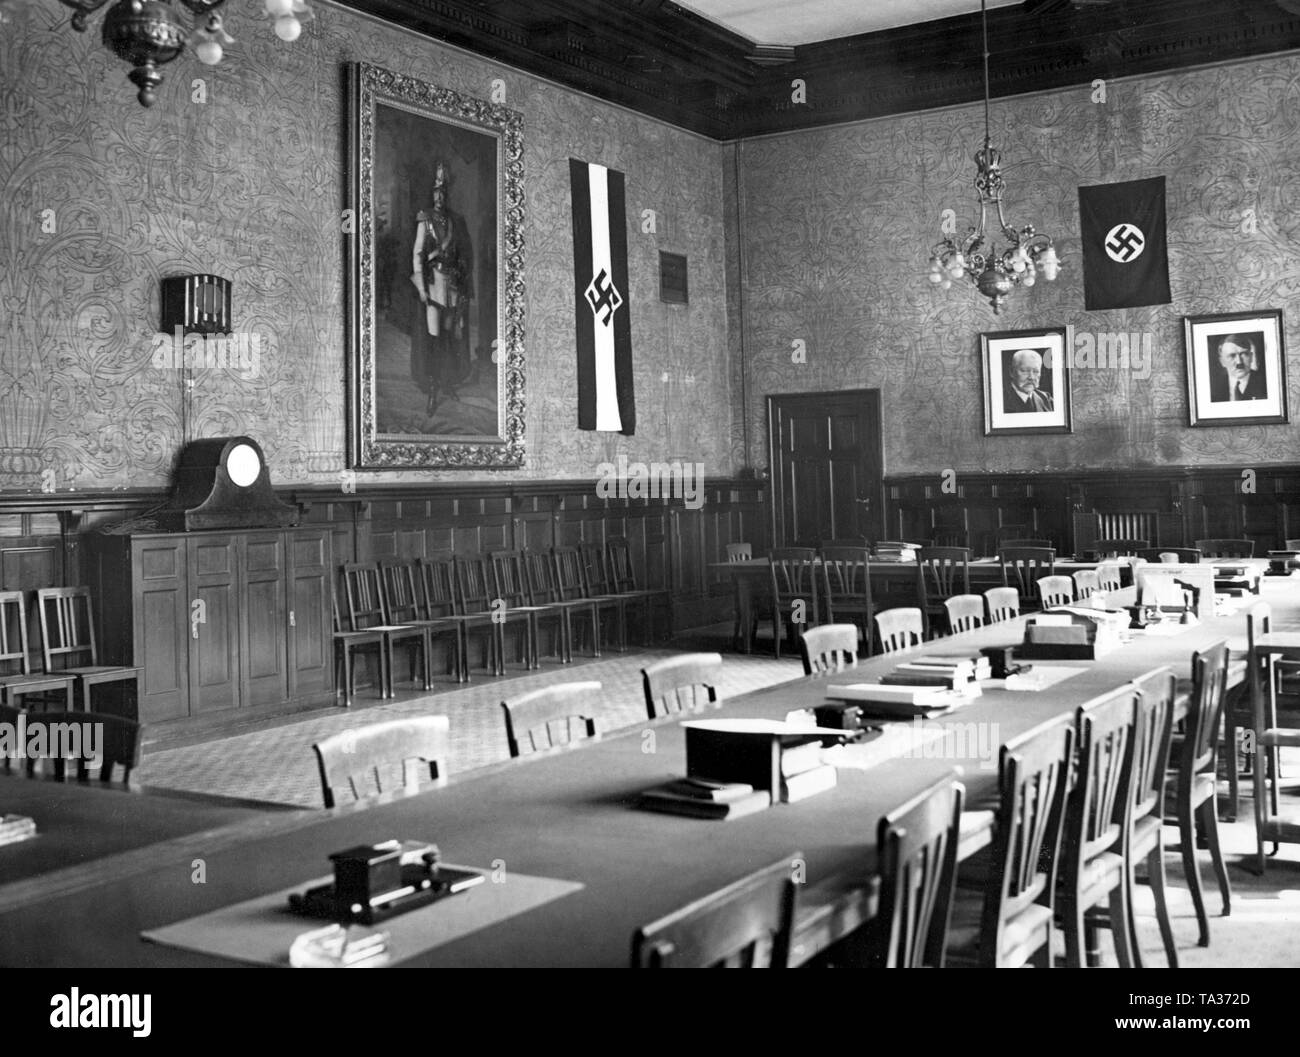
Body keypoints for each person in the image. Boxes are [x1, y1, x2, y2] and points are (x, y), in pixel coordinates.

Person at [410, 161, 473, 414]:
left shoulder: (455, 221)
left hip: (452, 288)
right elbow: (417, 254)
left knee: (448, 338)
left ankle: (446, 382)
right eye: (436, 191)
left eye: (444, 192)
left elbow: (462, 254)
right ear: (432, 193)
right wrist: (422, 288)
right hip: (433, 286)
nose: (440, 196)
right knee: (434, 340)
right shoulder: (425, 219)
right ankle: (433, 389)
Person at [1208, 333, 1267, 402]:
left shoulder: (1265, 384)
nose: (1239, 362)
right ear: (1222, 362)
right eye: (1232, 356)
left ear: (1251, 357)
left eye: (1244, 354)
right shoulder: (1213, 388)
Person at [1002, 348, 1054, 413]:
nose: (1031, 377)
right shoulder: (1001, 401)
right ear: (1011, 372)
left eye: (1036, 371)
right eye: (1025, 371)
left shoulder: (1046, 399)